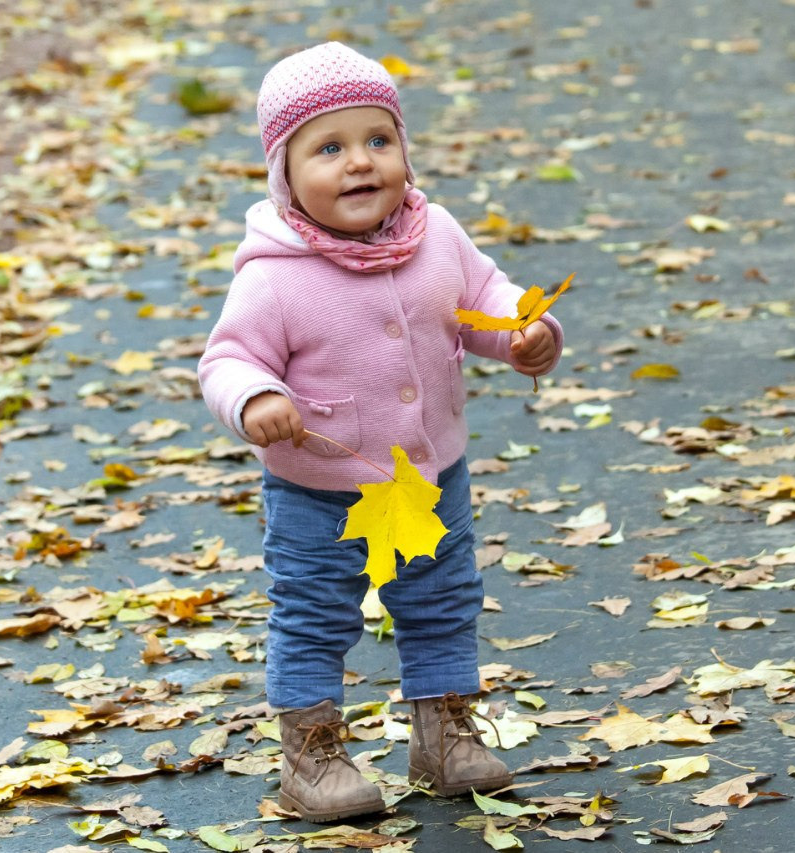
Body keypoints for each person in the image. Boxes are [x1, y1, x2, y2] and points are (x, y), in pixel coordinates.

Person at [197, 42, 563, 823]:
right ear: (284, 175)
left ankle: (443, 735)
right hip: (319, 489)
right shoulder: (274, 274)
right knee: (315, 612)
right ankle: (312, 754)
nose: (360, 163)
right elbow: (228, 359)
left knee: (442, 599)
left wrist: (525, 331)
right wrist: (255, 396)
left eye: (378, 140)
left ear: (403, 148)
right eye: (329, 148)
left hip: (431, 478)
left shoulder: (438, 236)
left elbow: (486, 297)